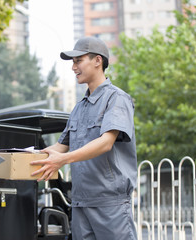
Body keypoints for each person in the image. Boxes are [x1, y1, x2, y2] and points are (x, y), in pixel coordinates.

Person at [31, 37, 137, 240]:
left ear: (98, 61)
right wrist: (26, 157)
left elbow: (106, 143)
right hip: (80, 203)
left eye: (78, 61)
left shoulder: (116, 99)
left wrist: (63, 160)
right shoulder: (79, 108)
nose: (73, 67)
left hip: (109, 203)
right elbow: (60, 147)